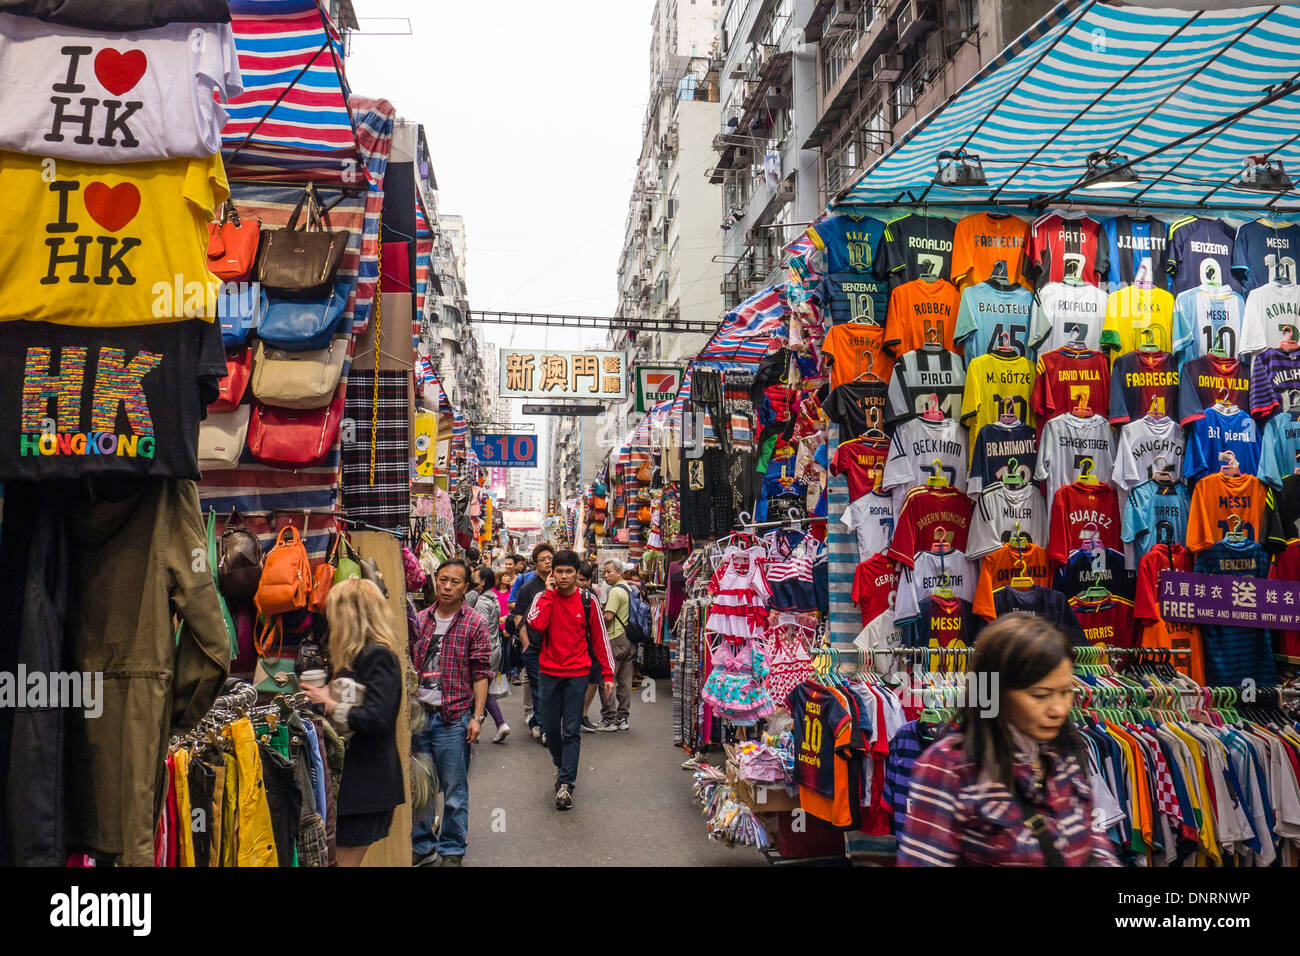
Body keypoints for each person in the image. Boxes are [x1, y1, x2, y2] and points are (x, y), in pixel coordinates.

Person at [898, 613, 1121, 867]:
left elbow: (1092, 841)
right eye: (1040, 695)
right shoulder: (949, 766)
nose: (1059, 709)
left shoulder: (1065, 751)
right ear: (997, 691)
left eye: (1065, 692)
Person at [299, 578, 403, 867]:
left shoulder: (379, 656)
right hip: (355, 786)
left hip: (366, 787)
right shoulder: (352, 658)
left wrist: (330, 704)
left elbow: (378, 717)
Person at [409, 559, 493, 867]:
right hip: (419, 718)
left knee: (454, 789)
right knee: (422, 787)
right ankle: (422, 844)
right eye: (442, 579)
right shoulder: (419, 619)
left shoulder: (474, 623)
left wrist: (478, 716)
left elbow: (481, 672)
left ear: (465, 588)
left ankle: (453, 848)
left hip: (453, 718)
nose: (446, 586)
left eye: (454, 582)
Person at [526, 550, 615, 810]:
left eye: (569, 572)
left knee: (571, 730)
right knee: (551, 729)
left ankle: (566, 783)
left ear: (578, 574)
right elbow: (537, 625)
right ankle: (560, 763)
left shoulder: (588, 601)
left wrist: (607, 675)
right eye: (559, 571)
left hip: (578, 673)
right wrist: (550, 594)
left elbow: (600, 640)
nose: (564, 577)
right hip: (549, 672)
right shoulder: (542, 598)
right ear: (551, 573)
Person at [512, 543, 554, 740]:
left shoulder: (560, 585)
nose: (548, 562)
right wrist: (525, 641)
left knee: (551, 687)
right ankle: (545, 727)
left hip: (555, 646)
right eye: (543, 559)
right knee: (539, 686)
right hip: (533, 646)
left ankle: (538, 720)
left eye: (550, 558)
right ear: (535, 563)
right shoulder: (528, 587)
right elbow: (518, 615)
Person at [472, 566, 510, 744]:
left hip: (485, 651)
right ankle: (481, 727)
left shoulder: (482, 602)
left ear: (483, 581)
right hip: (495, 648)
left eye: (475, 578)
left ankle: (500, 724)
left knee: (481, 691)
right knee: (482, 690)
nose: (472, 581)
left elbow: (481, 629)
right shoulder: (492, 598)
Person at [599, 560, 638, 732]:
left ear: (619, 572)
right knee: (625, 681)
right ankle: (623, 718)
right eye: (604, 572)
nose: (606, 575)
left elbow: (608, 617)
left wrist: (599, 632)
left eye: (609, 572)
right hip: (629, 639)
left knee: (607, 679)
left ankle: (610, 719)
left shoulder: (615, 591)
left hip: (616, 638)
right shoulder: (630, 588)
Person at [578, 563, 616, 733]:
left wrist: (608, 673)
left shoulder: (590, 596)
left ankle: (582, 715)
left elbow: (600, 633)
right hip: (564, 654)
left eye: (586, 580)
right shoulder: (553, 595)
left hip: (589, 646)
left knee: (593, 680)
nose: (583, 583)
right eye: (580, 579)